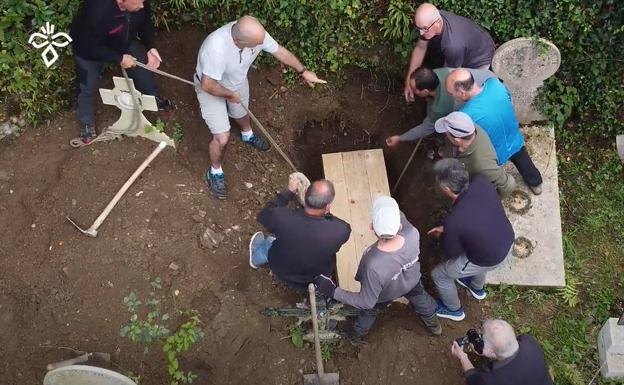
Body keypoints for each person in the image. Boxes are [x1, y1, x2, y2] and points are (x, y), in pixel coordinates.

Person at [195, 16, 326, 199]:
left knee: (241, 112)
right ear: (239, 41)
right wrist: (230, 95)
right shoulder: (216, 49)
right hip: (211, 88)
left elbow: (279, 51)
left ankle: (247, 134)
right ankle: (215, 172)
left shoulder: (255, 35)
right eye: (255, 45)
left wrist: (303, 72)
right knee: (222, 137)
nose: (261, 45)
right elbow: (208, 85)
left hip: (236, 81)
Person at [314, 196, 442, 340]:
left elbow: (366, 302)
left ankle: (356, 334)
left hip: (382, 295)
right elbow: (401, 217)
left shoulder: (373, 263)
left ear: (370, 228)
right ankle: (434, 325)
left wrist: (333, 291)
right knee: (422, 300)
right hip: (411, 282)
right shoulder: (412, 233)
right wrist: (387, 209)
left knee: (369, 312)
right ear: (399, 225)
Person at [70, 0, 171, 144]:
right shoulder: (97, 11)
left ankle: (155, 99)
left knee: (142, 70)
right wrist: (119, 58)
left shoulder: (140, 3)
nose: (142, 6)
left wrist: (150, 46)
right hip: (89, 49)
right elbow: (89, 45)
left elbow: (145, 22)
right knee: (87, 84)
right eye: (137, 3)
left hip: (122, 40)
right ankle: (86, 121)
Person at [428, 159, 514, 321]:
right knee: (478, 256)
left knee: (439, 274)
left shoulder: (455, 220)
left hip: (489, 257)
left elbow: (451, 252)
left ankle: (453, 310)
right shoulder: (481, 181)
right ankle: (477, 288)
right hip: (506, 239)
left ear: (446, 189)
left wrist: (445, 234)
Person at [446, 69, 543, 194]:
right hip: (514, 138)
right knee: (523, 160)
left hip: (495, 151)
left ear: (461, 92)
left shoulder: (465, 115)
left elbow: (469, 139)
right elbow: (509, 98)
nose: (451, 96)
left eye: (451, 93)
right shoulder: (494, 83)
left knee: (495, 173)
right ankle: (536, 183)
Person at [249, 179, 350, 291]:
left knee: (269, 243)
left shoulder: (282, 218)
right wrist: (326, 214)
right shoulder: (341, 230)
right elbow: (337, 225)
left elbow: (264, 214)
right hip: (312, 279)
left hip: (280, 268)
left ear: (305, 196)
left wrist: (289, 191)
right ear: (327, 206)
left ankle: (255, 260)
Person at [403, 3, 495, 102]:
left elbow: (449, 73)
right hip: (470, 42)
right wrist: (409, 80)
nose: (421, 33)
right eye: (419, 28)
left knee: (459, 93)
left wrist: (434, 95)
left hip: (479, 59)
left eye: (424, 28)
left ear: (437, 23)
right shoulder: (432, 20)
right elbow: (420, 47)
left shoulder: (452, 46)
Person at [387, 67, 496, 146]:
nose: (412, 91)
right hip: (491, 78)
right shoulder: (438, 72)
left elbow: (425, 129)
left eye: (414, 89)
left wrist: (400, 138)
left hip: (490, 103)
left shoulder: (439, 108)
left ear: (425, 91)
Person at [435, 112, 515, 198]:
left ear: (457, 140)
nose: (445, 134)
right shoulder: (469, 128)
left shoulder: (482, 165)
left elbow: (508, 185)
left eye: (446, 133)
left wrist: (493, 201)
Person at [451, 319, 554, 385]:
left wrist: (462, 356)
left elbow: (472, 378)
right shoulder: (529, 341)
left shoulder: (490, 379)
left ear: (489, 350)